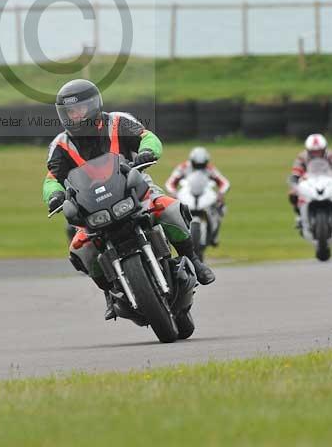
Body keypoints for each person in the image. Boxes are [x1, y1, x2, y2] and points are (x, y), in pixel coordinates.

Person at [43, 79, 215, 321]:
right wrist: (54, 195)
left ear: (94, 105)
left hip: (132, 188)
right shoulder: (61, 145)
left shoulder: (117, 122)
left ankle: (194, 260)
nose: (76, 116)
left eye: (80, 109)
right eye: (70, 112)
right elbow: (51, 178)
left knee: (169, 209)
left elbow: (147, 137)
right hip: (91, 205)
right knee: (80, 248)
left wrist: (147, 151)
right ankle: (109, 293)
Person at [165, 147, 230, 246]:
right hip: (188, 194)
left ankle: (215, 234)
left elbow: (224, 182)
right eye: (197, 165)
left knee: (220, 207)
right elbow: (170, 182)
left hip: (204, 194)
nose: (199, 167)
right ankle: (173, 235)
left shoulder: (210, 169)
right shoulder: (183, 167)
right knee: (170, 210)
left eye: (202, 165)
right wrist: (173, 192)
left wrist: (221, 193)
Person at [287, 134, 332, 228]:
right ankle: (300, 215)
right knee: (292, 193)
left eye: (319, 151)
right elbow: (296, 171)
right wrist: (295, 179)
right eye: (313, 151)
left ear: (324, 149)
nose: (316, 153)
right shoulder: (302, 157)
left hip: (328, 181)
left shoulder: (330, 156)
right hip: (309, 182)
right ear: (308, 150)